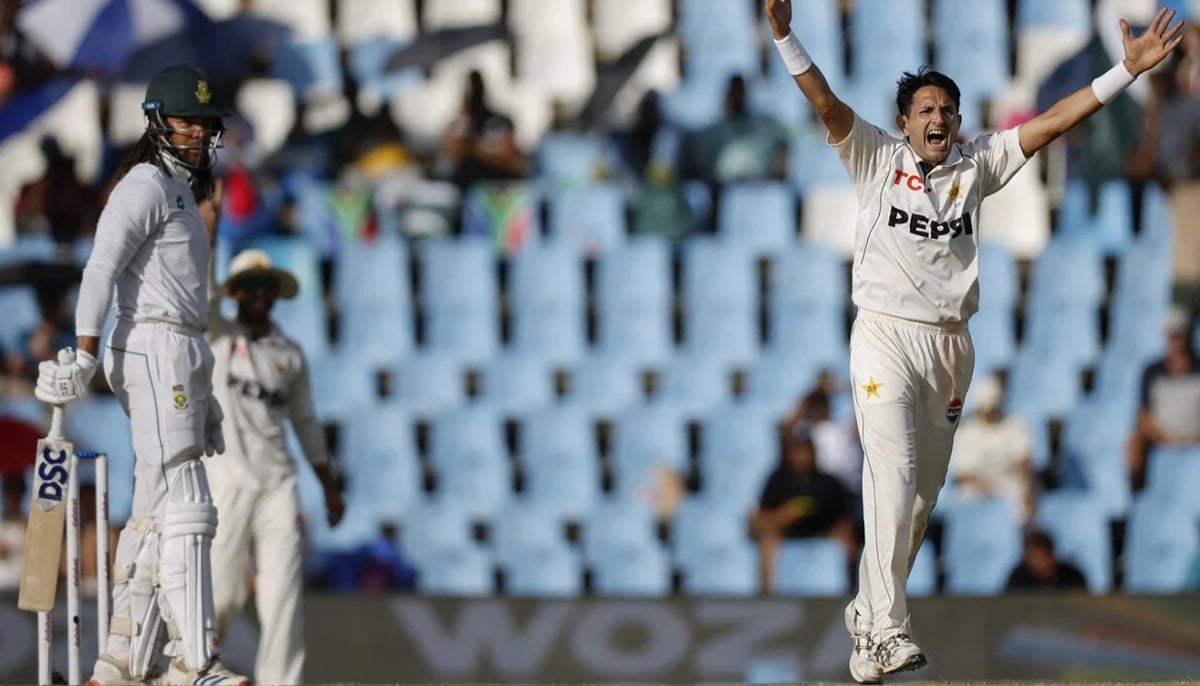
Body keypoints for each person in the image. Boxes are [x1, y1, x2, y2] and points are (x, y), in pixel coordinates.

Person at [764, 0, 1184, 681]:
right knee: (892, 478)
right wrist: (785, 36)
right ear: (903, 122)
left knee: (919, 505)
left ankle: (870, 613)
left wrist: (1123, 74)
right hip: (884, 339)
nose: (937, 119)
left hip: (952, 350)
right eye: (924, 110)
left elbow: (1052, 122)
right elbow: (824, 102)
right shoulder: (874, 155)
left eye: (946, 110)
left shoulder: (977, 163)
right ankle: (888, 629)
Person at [34, 65, 248, 686]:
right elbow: (100, 269)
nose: (199, 134)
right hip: (152, 346)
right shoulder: (144, 185)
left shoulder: (184, 193)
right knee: (188, 500)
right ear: (156, 123)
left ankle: (122, 657)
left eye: (205, 125)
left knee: (156, 508)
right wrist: (84, 350)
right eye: (187, 122)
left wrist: (203, 389)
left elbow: (186, 297)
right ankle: (193, 661)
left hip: (181, 350)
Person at [205, 246, 345, 685]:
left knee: (283, 599)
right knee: (220, 595)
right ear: (236, 293)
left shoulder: (290, 354)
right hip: (227, 481)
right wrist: (209, 228)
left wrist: (329, 487)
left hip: (278, 484)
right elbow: (203, 291)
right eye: (251, 287)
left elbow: (306, 422)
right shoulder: (217, 336)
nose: (260, 295)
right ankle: (195, 673)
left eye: (267, 287)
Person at [750, 426, 853, 594]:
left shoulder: (828, 482)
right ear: (791, 453)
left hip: (822, 533)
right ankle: (765, 596)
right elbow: (759, 518)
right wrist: (784, 515)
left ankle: (851, 594)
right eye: (799, 450)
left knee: (847, 536)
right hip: (787, 534)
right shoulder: (778, 479)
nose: (804, 456)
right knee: (769, 539)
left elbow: (843, 517)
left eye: (808, 450)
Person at [1127, 306, 1200, 490]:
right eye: (1171, 336)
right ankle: (1137, 498)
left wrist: (1193, 438)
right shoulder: (1151, 372)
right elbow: (1144, 416)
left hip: (1196, 435)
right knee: (1134, 444)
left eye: (1179, 336)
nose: (1176, 343)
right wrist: (1165, 438)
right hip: (1162, 436)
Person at [947, 374, 1035, 522]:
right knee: (962, 497)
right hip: (979, 486)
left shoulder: (1014, 424)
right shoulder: (967, 430)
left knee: (1022, 504)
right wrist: (988, 488)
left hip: (1008, 484)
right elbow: (963, 475)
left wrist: (1027, 492)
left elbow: (1024, 462)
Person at [1005, 529, 1088, 592]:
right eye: (1037, 558)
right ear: (1028, 560)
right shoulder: (1018, 579)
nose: (1043, 563)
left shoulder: (1072, 577)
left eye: (1045, 556)